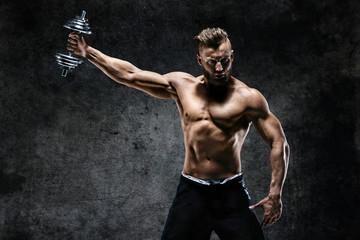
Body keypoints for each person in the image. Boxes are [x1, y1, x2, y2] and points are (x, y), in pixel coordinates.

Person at [67, 27, 290, 240]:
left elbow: (278, 141)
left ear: (232, 55)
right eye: (212, 62)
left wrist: (275, 193)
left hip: (230, 192)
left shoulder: (249, 98)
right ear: (200, 60)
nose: (220, 68)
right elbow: (131, 75)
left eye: (225, 60)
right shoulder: (182, 87)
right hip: (192, 191)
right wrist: (89, 52)